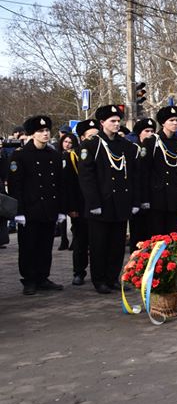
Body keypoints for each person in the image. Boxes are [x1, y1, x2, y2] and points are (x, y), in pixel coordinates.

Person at [79, 105, 141, 294]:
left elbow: (133, 175)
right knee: (99, 244)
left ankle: (113, 277)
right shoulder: (92, 144)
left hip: (121, 202)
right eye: (112, 121)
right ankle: (99, 280)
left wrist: (134, 202)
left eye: (117, 121)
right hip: (101, 203)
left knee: (117, 244)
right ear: (102, 123)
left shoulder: (125, 146)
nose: (116, 124)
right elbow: (86, 177)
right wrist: (94, 203)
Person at [8, 115, 64, 295]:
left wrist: (61, 209)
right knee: (28, 247)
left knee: (45, 246)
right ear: (32, 134)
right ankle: (29, 280)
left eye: (47, 130)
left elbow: (60, 184)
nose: (45, 134)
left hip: (49, 208)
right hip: (30, 209)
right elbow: (16, 185)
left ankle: (42, 277)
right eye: (41, 131)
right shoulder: (20, 155)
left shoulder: (53, 155)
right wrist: (19, 212)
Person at [140, 106, 177, 236]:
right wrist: (144, 198)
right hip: (157, 196)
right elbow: (144, 171)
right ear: (163, 123)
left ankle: (171, 256)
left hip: (175, 195)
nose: (175, 123)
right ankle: (158, 257)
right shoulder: (151, 142)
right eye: (171, 120)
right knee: (157, 234)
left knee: (173, 235)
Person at [63, 119, 98, 286]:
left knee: (98, 241)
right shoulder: (74, 155)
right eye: (90, 136)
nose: (94, 139)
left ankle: (99, 273)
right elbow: (69, 185)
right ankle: (79, 272)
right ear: (82, 138)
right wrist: (71, 207)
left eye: (96, 136)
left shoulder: (102, 152)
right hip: (81, 206)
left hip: (99, 205)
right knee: (80, 241)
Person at [128, 118, 157, 250]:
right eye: (146, 131)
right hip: (136, 195)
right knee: (137, 231)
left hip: (152, 195)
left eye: (152, 131)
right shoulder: (133, 149)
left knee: (151, 231)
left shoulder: (156, 148)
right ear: (139, 133)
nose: (150, 133)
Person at [56, 133, 76, 251]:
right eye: (65, 142)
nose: (67, 145)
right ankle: (64, 239)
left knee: (74, 215)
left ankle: (74, 239)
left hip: (71, 187)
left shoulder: (74, 155)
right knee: (61, 216)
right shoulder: (57, 155)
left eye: (70, 142)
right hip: (60, 188)